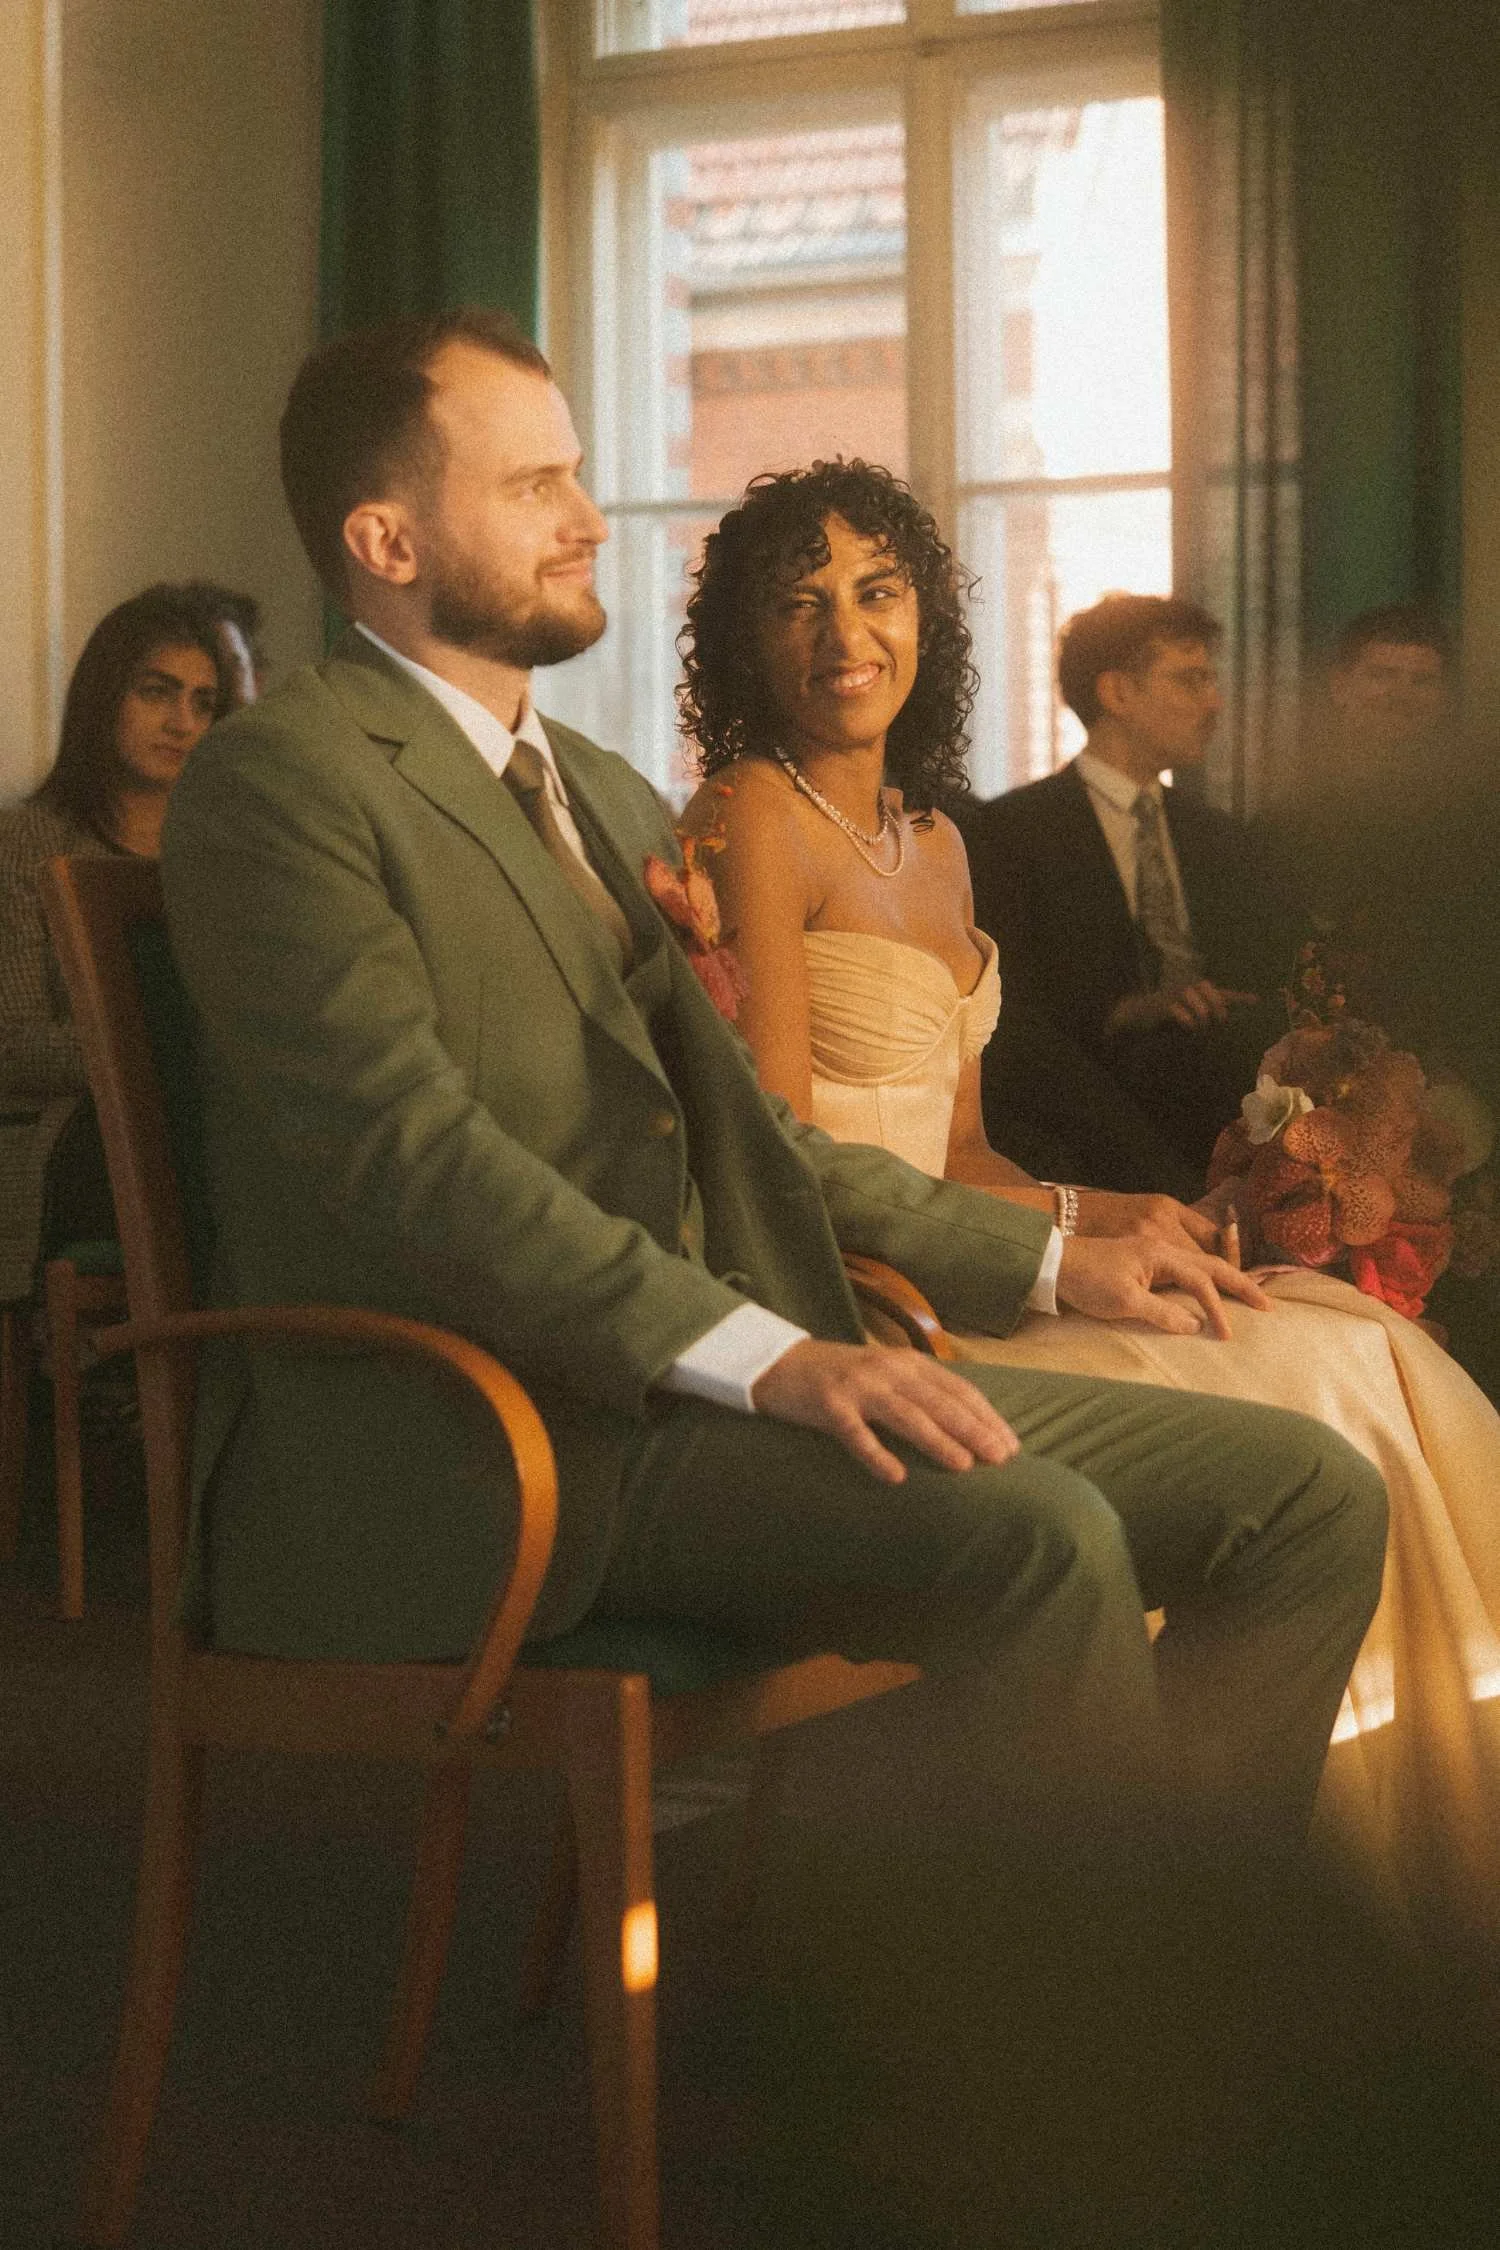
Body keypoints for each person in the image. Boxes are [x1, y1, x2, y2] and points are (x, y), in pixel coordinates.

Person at [158, 309, 1385, 1856]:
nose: (590, 518)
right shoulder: (281, 781)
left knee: (1313, 1498)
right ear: (385, 537)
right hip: (487, 1448)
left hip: (704, 1399)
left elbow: (757, 1129)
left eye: (579, 475)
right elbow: (416, 1165)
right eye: (536, 484)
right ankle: (1086, 2059)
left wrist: (1061, 1254)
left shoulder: (596, 790)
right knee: (1044, 1539)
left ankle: (1174, 1961)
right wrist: (769, 1357)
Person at [677, 458, 1500, 1947]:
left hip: (967, 1252)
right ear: (745, 640)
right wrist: (1060, 1260)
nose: (842, 632)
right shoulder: (752, 813)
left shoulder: (934, 842)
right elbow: (784, 1152)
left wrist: (1126, 1214)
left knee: (1350, 1340)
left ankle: (1302, 1860)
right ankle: (1198, 1907)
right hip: (871, 1305)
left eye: (875, 590)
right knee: (1304, 1386)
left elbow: (968, 1148)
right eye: (796, 602)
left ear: (927, 614)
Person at [962, 594, 1286, 1198]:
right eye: (1190, 681)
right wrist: (1133, 1009)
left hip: (1229, 1119)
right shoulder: (1010, 833)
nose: (1214, 703)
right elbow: (1005, 1018)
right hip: (1078, 1134)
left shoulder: (1225, 839)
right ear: (1116, 694)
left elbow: (1265, 977)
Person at [0, 583, 250, 1306]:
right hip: (78, 1142)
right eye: (156, 692)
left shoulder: (226, 858)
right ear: (102, 697)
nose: (181, 721)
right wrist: (150, 1055)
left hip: (220, 1133)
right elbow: (12, 1046)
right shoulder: (23, 848)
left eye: (204, 703)